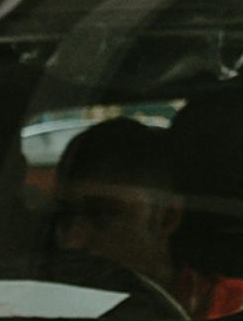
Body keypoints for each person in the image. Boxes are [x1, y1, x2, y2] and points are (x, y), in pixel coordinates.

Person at [54, 116, 181, 292]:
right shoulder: (42, 291)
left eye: (103, 215)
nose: (71, 242)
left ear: (166, 218)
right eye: (65, 215)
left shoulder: (215, 303)